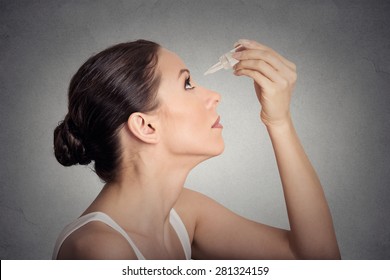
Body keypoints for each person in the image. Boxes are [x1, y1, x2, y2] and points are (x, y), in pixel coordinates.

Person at [52, 39, 340, 259]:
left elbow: (317, 261)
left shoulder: (184, 213)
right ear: (146, 127)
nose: (215, 96)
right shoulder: (100, 252)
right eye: (187, 83)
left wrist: (278, 121)